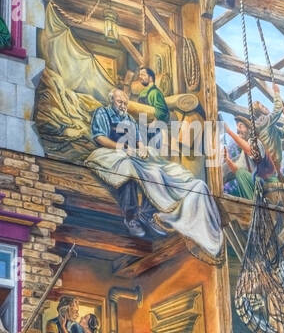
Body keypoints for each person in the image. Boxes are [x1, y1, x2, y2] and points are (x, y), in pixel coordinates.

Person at [87, 87, 223, 254]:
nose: (122, 105)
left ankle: (147, 214)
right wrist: (120, 147)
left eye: (125, 103)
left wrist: (142, 148)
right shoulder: (102, 113)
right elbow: (99, 137)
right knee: (127, 169)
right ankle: (130, 218)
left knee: (155, 171)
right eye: (119, 102)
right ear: (112, 101)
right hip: (109, 152)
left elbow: (138, 140)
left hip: (130, 152)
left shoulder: (129, 118)